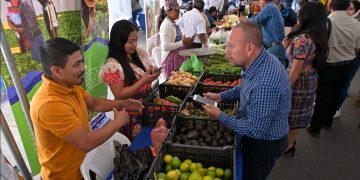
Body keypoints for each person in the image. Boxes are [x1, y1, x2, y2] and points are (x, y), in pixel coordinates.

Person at [30, 38, 143, 179]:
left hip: (83, 167)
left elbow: (94, 104)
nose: (83, 68)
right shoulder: (49, 104)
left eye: (81, 61)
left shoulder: (70, 85)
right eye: (77, 64)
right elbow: (86, 142)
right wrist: (118, 122)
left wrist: (122, 104)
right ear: (57, 71)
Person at [202, 21, 291, 180]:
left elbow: (256, 129)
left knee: (253, 175)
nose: (227, 52)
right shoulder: (258, 61)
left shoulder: (265, 82)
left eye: (231, 46)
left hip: (265, 142)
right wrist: (221, 97)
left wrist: (220, 115)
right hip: (259, 132)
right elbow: (244, 88)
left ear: (249, 48)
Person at [98, 20, 160, 139]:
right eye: (130, 41)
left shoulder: (138, 53)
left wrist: (152, 72)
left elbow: (144, 73)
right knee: (136, 146)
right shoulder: (112, 65)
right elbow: (119, 94)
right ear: (119, 41)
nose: (135, 44)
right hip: (130, 112)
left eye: (136, 40)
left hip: (147, 105)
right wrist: (143, 81)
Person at [281, 1, 328, 156]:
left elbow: (295, 70)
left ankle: (287, 145)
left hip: (297, 84)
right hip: (309, 81)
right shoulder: (317, 35)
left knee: (291, 114)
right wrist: (288, 46)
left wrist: (283, 89)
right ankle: (291, 144)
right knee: (296, 117)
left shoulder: (302, 39)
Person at [307, 0, 360, 136]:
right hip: (347, 65)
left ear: (330, 6)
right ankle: (328, 122)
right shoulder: (356, 24)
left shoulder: (325, 23)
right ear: (348, 7)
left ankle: (315, 128)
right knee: (336, 94)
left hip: (329, 66)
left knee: (322, 98)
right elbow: (358, 47)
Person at [239, 0, 287, 67]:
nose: (258, 4)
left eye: (259, 1)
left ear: (264, 0)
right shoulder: (271, 7)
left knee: (274, 74)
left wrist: (244, 19)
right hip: (273, 48)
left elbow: (254, 22)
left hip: (275, 49)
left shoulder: (269, 7)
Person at [334, 0, 360, 117]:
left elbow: (357, 47)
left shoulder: (357, 23)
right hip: (343, 56)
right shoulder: (344, 19)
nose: (348, 11)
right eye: (347, 8)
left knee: (345, 83)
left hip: (353, 58)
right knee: (334, 82)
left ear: (357, 10)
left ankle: (336, 108)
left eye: (351, 9)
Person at [159, 0, 194, 79]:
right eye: (176, 10)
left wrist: (186, 41)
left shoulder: (173, 23)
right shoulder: (166, 26)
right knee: (173, 84)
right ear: (169, 11)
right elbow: (166, 47)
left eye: (179, 10)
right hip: (171, 61)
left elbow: (176, 40)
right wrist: (182, 42)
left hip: (178, 58)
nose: (178, 12)